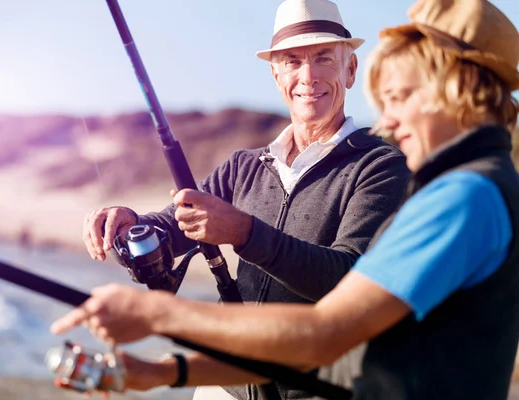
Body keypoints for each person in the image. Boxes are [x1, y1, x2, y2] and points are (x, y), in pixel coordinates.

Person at [53, 0, 519, 398]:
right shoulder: (466, 187)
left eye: (399, 96)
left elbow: (327, 331)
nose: (389, 121)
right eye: (293, 61)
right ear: (276, 74)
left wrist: (160, 313)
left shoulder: (450, 193)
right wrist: (134, 226)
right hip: (236, 381)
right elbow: (329, 340)